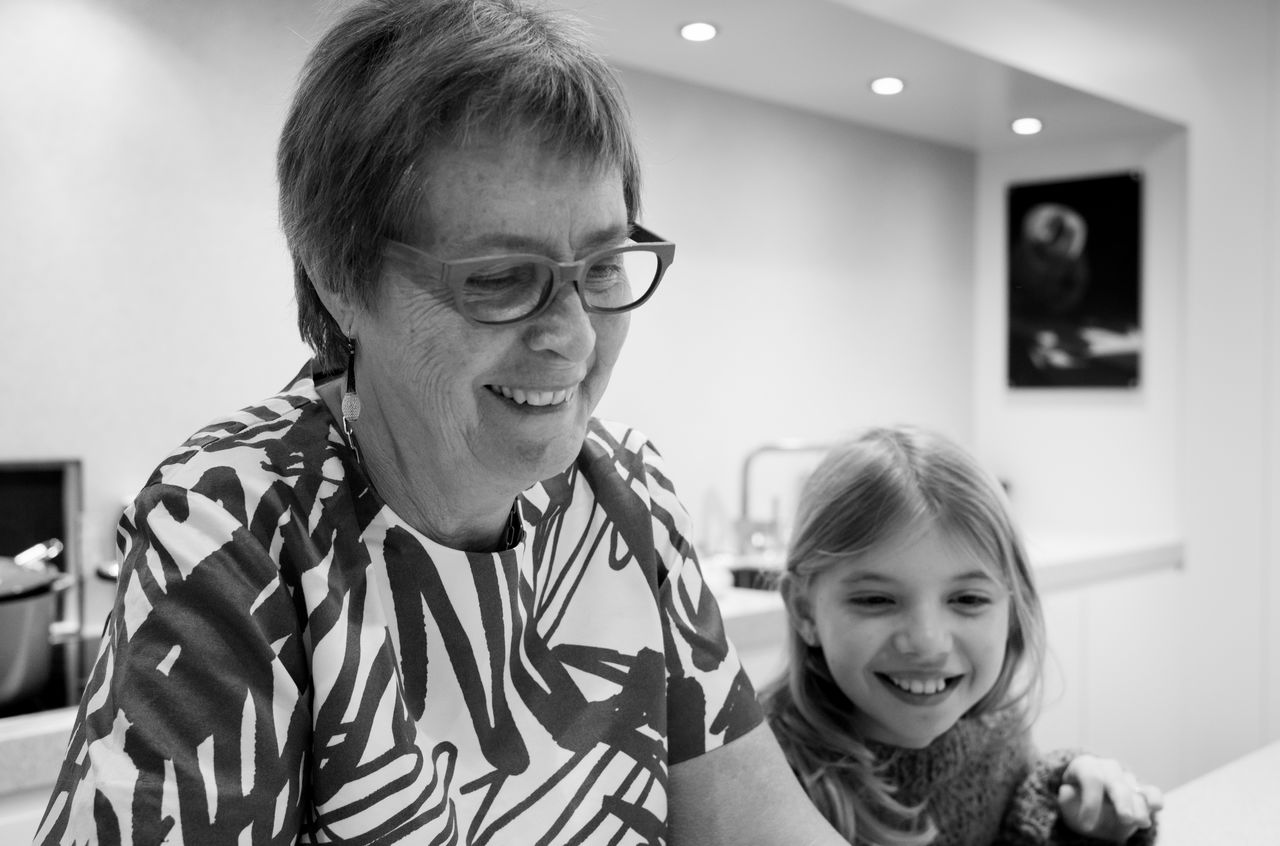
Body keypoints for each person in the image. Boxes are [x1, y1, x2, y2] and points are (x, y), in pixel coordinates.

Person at [34, 1, 847, 843]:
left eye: (602, 267)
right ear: (337, 278)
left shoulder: (626, 496)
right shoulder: (235, 527)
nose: (571, 338)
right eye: (499, 277)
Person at [761, 425, 1163, 845]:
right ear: (804, 610)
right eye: (876, 600)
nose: (928, 642)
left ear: (1012, 607)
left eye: (968, 599)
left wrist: (1078, 819)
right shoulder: (756, 772)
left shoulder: (995, 738)